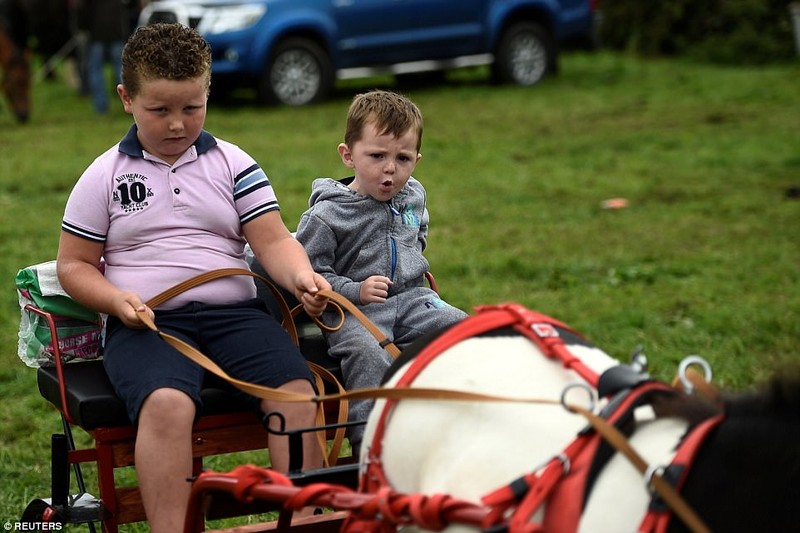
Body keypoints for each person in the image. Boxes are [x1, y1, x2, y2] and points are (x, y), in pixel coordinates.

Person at [56, 23, 329, 532]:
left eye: (192, 107)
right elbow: (73, 265)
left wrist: (302, 278)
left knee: (295, 391)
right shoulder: (104, 175)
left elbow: (271, 240)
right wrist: (116, 301)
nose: (178, 124)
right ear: (126, 99)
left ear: (208, 94)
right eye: (160, 110)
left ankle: (307, 522)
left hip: (237, 317)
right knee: (166, 405)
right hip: (149, 325)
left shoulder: (233, 163)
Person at [295, 90, 468, 451]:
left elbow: (417, 234)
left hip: (413, 300)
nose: (390, 168)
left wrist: (410, 268)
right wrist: (356, 290)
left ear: (416, 161)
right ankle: (370, 449)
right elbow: (311, 275)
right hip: (352, 313)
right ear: (348, 156)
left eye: (403, 158)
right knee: (367, 354)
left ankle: (456, 435)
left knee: (464, 331)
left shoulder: (414, 196)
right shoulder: (327, 216)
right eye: (376, 156)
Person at [76, 0, 131, 113]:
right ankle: (129, 102)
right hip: (116, 31)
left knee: (95, 70)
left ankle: (101, 106)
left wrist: (83, 27)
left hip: (97, 34)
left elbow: (82, 9)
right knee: (121, 69)